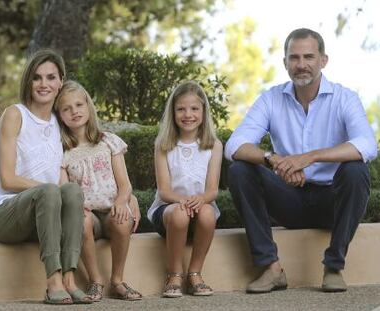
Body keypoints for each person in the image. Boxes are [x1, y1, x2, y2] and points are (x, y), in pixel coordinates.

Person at [225, 28, 378, 294]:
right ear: (285, 63)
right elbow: (234, 145)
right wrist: (276, 161)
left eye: (309, 56)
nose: (301, 64)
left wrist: (309, 157)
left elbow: (367, 145)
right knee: (240, 170)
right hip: (290, 199)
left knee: (356, 170)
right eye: (294, 58)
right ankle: (271, 268)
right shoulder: (271, 99)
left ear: (323, 60)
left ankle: (333, 267)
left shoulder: (345, 98)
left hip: (332, 202)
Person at [0, 50, 91, 304]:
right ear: (28, 82)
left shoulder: (59, 122)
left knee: (73, 191)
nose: (44, 84)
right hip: (5, 214)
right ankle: (53, 282)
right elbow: (8, 179)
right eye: (37, 78)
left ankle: (69, 279)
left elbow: (71, 170)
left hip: (45, 215)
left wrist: (124, 196)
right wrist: (49, 190)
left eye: (51, 77)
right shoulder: (15, 114)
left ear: (60, 81)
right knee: (51, 190)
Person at [54, 80, 142, 301]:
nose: (74, 111)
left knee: (122, 219)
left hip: (112, 209)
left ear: (88, 106)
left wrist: (123, 201)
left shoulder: (108, 142)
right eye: (67, 108)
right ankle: (96, 280)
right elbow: (64, 188)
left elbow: (125, 185)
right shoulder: (62, 152)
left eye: (79, 105)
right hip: (89, 215)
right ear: (60, 115)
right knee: (80, 220)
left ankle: (117, 280)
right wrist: (75, 207)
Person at [147, 81, 223, 298]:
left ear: (203, 111)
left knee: (208, 212)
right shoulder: (164, 145)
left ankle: (195, 273)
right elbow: (164, 191)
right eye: (181, 109)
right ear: (173, 112)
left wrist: (199, 200)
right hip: (169, 213)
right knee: (180, 214)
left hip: (200, 209)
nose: (187, 114)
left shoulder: (213, 145)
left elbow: (212, 190)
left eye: (194, 109)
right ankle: (174, 275)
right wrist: (184, 202)